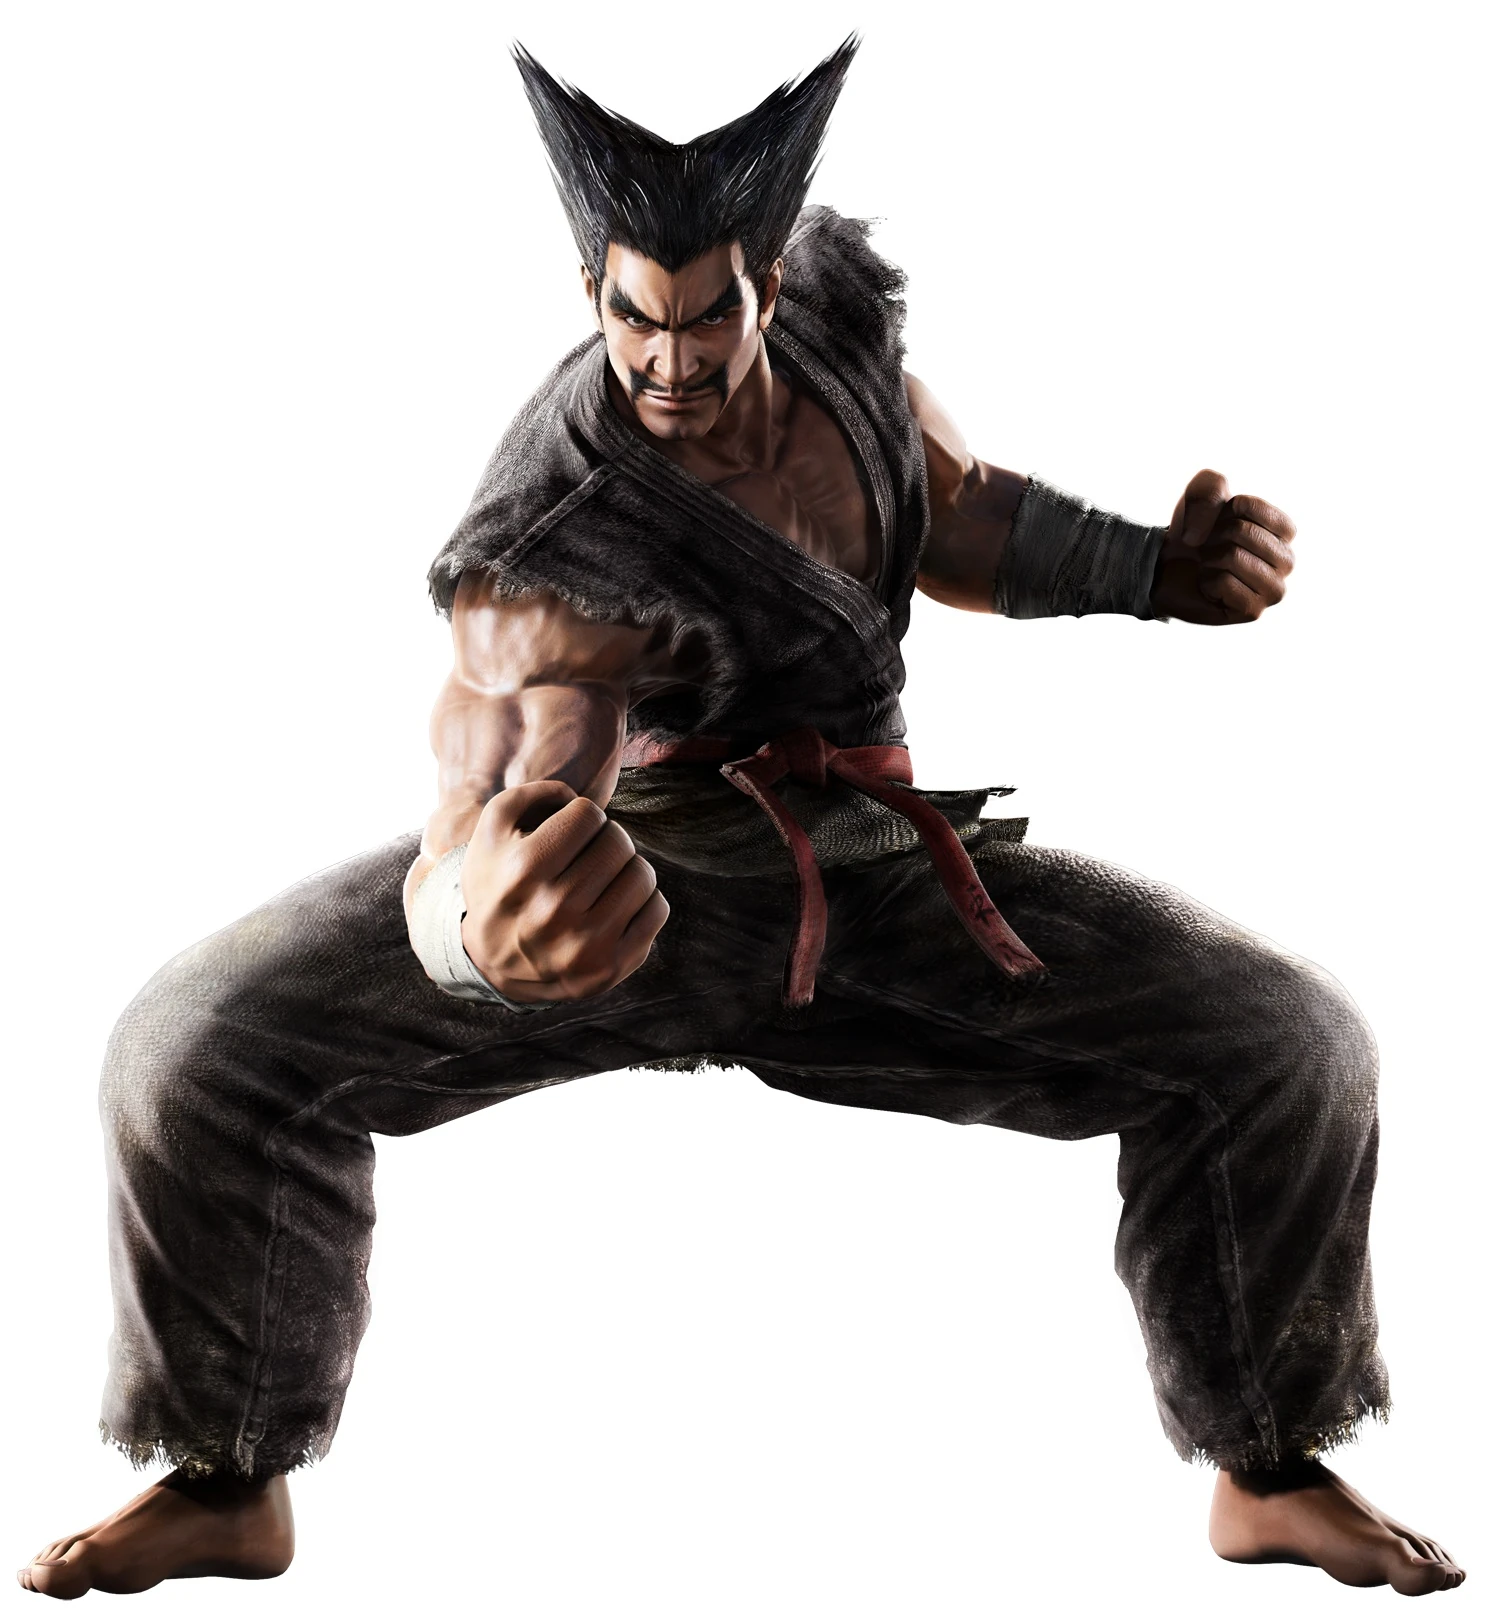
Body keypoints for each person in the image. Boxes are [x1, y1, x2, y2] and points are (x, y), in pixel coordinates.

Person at [18, 36, 1465, 1600]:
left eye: (704, 315)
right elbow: (506, 734)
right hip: (626, 898)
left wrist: (1149, 571)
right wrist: (473, 912)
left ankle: (1270, 1465)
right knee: (194, 1047)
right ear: (592, 297)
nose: (669, 359)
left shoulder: (853, 368)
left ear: (767, 288)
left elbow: (950, 510)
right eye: (635, 317)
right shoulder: (560, 520)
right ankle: (225, 1476)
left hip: (875, 884)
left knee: (1287, 1040)